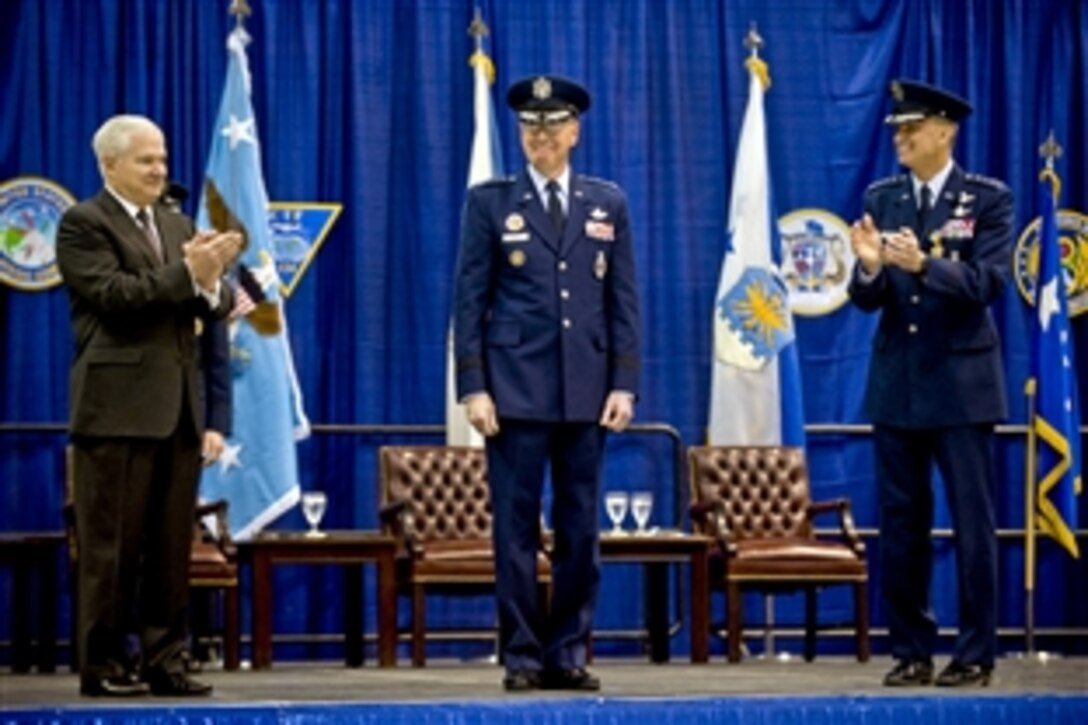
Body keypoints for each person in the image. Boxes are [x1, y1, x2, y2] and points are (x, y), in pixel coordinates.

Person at [453, 74, 641, 692]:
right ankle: (523, 655)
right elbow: (469, 301)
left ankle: (568, 650)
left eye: (553, 125)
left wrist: (624, 383)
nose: (542, 136)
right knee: (514, 528)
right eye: (531, 126)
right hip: (513, 392)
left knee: (582, 530)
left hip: (587, 390)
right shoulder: (490, 202)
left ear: (575, 132)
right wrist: (474, 387)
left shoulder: (605, 203)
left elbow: (623, 301)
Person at [56, 115, 242, 697]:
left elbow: (211, 308)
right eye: (146, 161)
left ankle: (166, 660)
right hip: (115, 411)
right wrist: (191, 273)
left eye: (162, 159)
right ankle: (106, 664)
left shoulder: (176, 220)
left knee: (167, 548)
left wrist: (213, 284)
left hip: (178, 410)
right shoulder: (83, 224)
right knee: (111, 549)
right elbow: (115, 298)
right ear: (109, 165)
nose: (160, 169)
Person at [848, 80, 1014, 688]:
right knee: (901, 524)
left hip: (962, 383)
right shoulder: (883, 197)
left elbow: (989, 286)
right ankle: (911, 649)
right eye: (896, 128)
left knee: (973, 521)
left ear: (944, 132)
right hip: (898, 383)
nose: (899, 136)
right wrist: (867, 268)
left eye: (910, 128)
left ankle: (976, 651)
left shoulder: (987, 199)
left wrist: (926, 266)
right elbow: (868, 299)